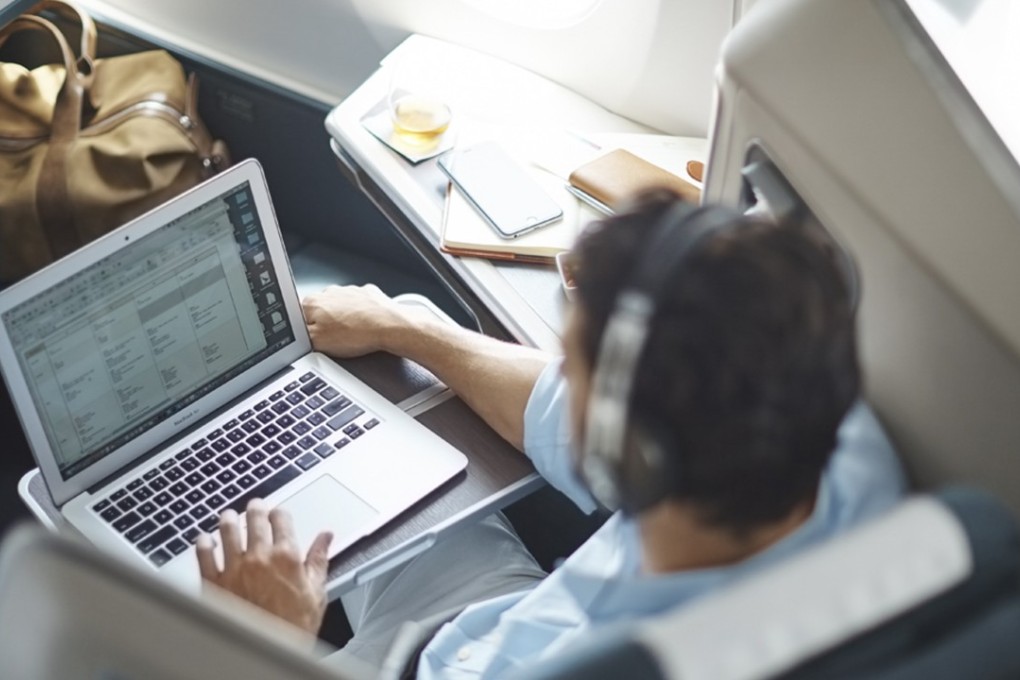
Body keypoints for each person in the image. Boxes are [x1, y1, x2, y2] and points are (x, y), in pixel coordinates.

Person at [195, 190, 906, 677]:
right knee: (393, 375)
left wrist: (263, 643)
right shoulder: (845, 446)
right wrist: (410, 329)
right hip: (506, 613)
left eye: (576, 363)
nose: (560, 371)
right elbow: (554, 407)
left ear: (631, 452)